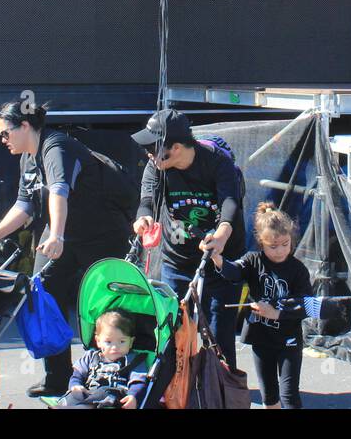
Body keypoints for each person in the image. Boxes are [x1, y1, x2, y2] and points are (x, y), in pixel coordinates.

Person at [0, 99, 132, 397]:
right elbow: (24, 205)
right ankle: (58, 378)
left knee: (109, 303)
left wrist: (56, 234)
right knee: (43, 294)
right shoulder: (26, 159)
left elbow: (58, 190)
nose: (2, 140)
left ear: (26, 126)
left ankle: (119, 377)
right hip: (62, 237)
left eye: (6, 133)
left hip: (101, 235)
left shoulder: (56, 147)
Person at [132, 108, 245, 367]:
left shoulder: (217, 162)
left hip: (219, 258)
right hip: (177, 259)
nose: (149, 154)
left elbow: (230, 202)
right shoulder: (156, 165)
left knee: (219, 334)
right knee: (175, 332)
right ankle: (176, 389)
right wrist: (143, 217)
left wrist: (221, 235)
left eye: (154, 147)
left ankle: (222, 391)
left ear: (178, 147)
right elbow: (147, 198)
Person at [205, 202, 312, 409]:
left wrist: (277, 313)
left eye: (285, 244)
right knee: (269, 395)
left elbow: (305, 304)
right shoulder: (253, 260)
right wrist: (217, 258)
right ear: (261, 242)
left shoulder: (298, 269)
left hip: (289, 339)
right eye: (273, 246)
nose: (280, 251)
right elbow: (234, 271)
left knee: (289, 394)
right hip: (261, 338)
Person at [60, 310, 149, 409]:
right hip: (88, 393)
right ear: (98, 341)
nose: (115, 347)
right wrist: (75, 385)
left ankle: (81, 407)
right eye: (108, 342)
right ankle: (69, 405)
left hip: (113, 397)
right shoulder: (91, 356)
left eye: (122, 341)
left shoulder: (133, 360)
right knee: (74, 394)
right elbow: (77, 375)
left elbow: (138, 383)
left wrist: (133, 396)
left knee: (105, 392)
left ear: (131, 342)